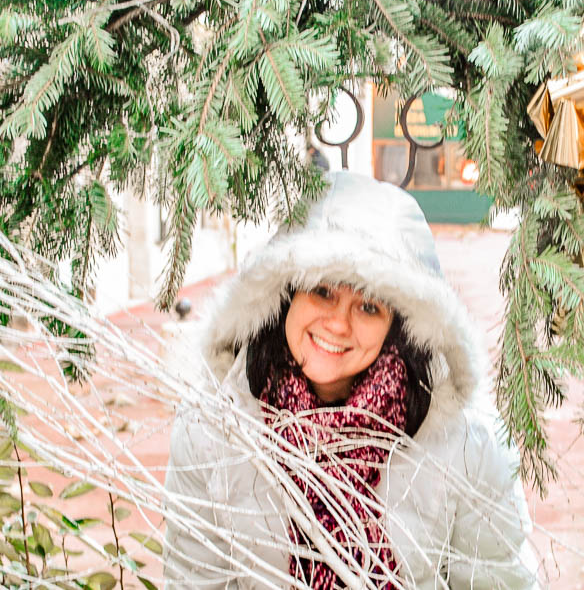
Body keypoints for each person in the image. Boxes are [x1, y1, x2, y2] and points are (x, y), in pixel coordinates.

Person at [163, 171, 538, 589]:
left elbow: (499, 579)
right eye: (322, 293)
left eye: (369, 308)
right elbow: (194, 578)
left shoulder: (465, 441)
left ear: (399, 324)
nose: (338, 325)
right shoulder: (213, 426)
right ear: (285, 293)